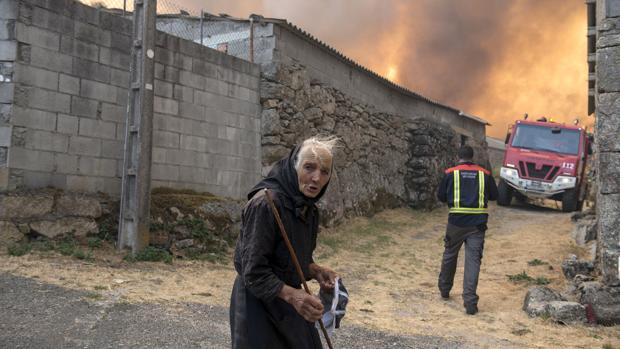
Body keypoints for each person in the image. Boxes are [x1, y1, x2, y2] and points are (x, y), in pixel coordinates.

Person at [230, 136, 339, 349]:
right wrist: (294, 296)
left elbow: (292, 258)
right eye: (309, 167)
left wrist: (315, 271)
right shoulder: (265, 204)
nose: (316, 178)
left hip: (288, 300)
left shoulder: (308, 209)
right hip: (257, 304)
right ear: (294, 166)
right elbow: (253, 271)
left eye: (324, 171)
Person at [437, 145, 498, 315]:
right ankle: (470, 302)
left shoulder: (450, 173)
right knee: (473, 261)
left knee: (450, 254)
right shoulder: (484, 174)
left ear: (459, 156)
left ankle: (444, 288)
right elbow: (494, 196)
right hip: (477, 225)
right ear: (472, 157)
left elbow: (440, 196)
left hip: (455, 223)